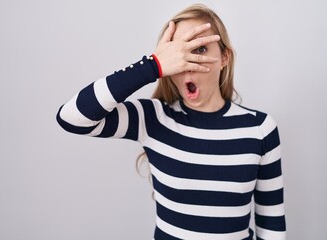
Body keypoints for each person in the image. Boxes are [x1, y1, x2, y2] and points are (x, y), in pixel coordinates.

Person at [56, 3, 286, 240]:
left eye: (200, 49)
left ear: (224, 57)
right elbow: (71, 118)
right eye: (178, 52)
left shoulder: (260, 129)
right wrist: (152, 65)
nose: (186, 63)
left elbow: (271, 222)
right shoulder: (153, 118)